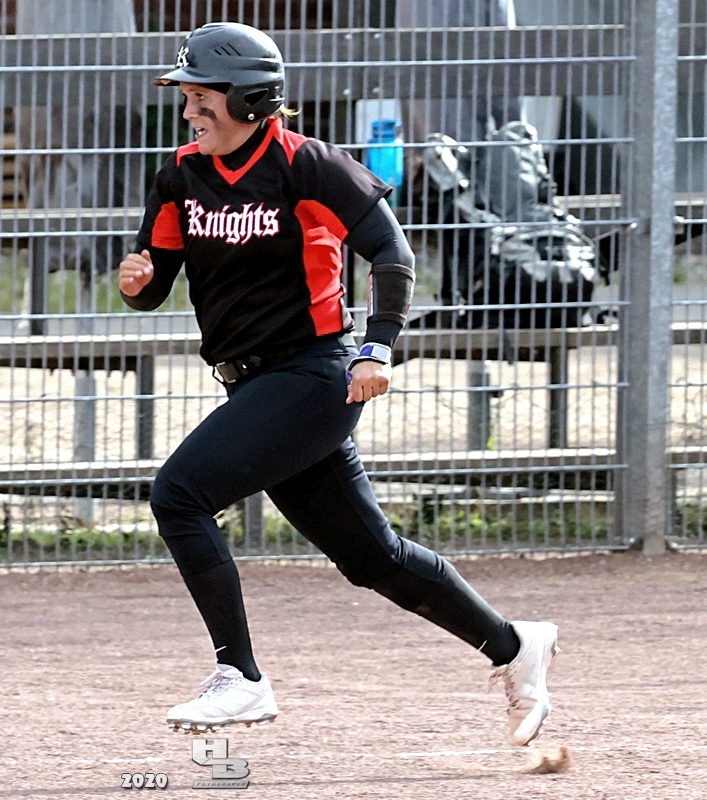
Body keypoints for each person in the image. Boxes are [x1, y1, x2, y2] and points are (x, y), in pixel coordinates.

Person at [118, 22, 559, 748]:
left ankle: (240, 676)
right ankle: (515, 646)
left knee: (179, 494)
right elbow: (156, 280)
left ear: (251, 100)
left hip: (313, 376)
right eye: (186, 97)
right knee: (372, 559)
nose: (189, 111)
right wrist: (136, 284)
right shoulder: (181, 175)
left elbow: (392, 254)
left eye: (202, 97)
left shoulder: (308, 165)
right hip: (252, 386)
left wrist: (375, 349)